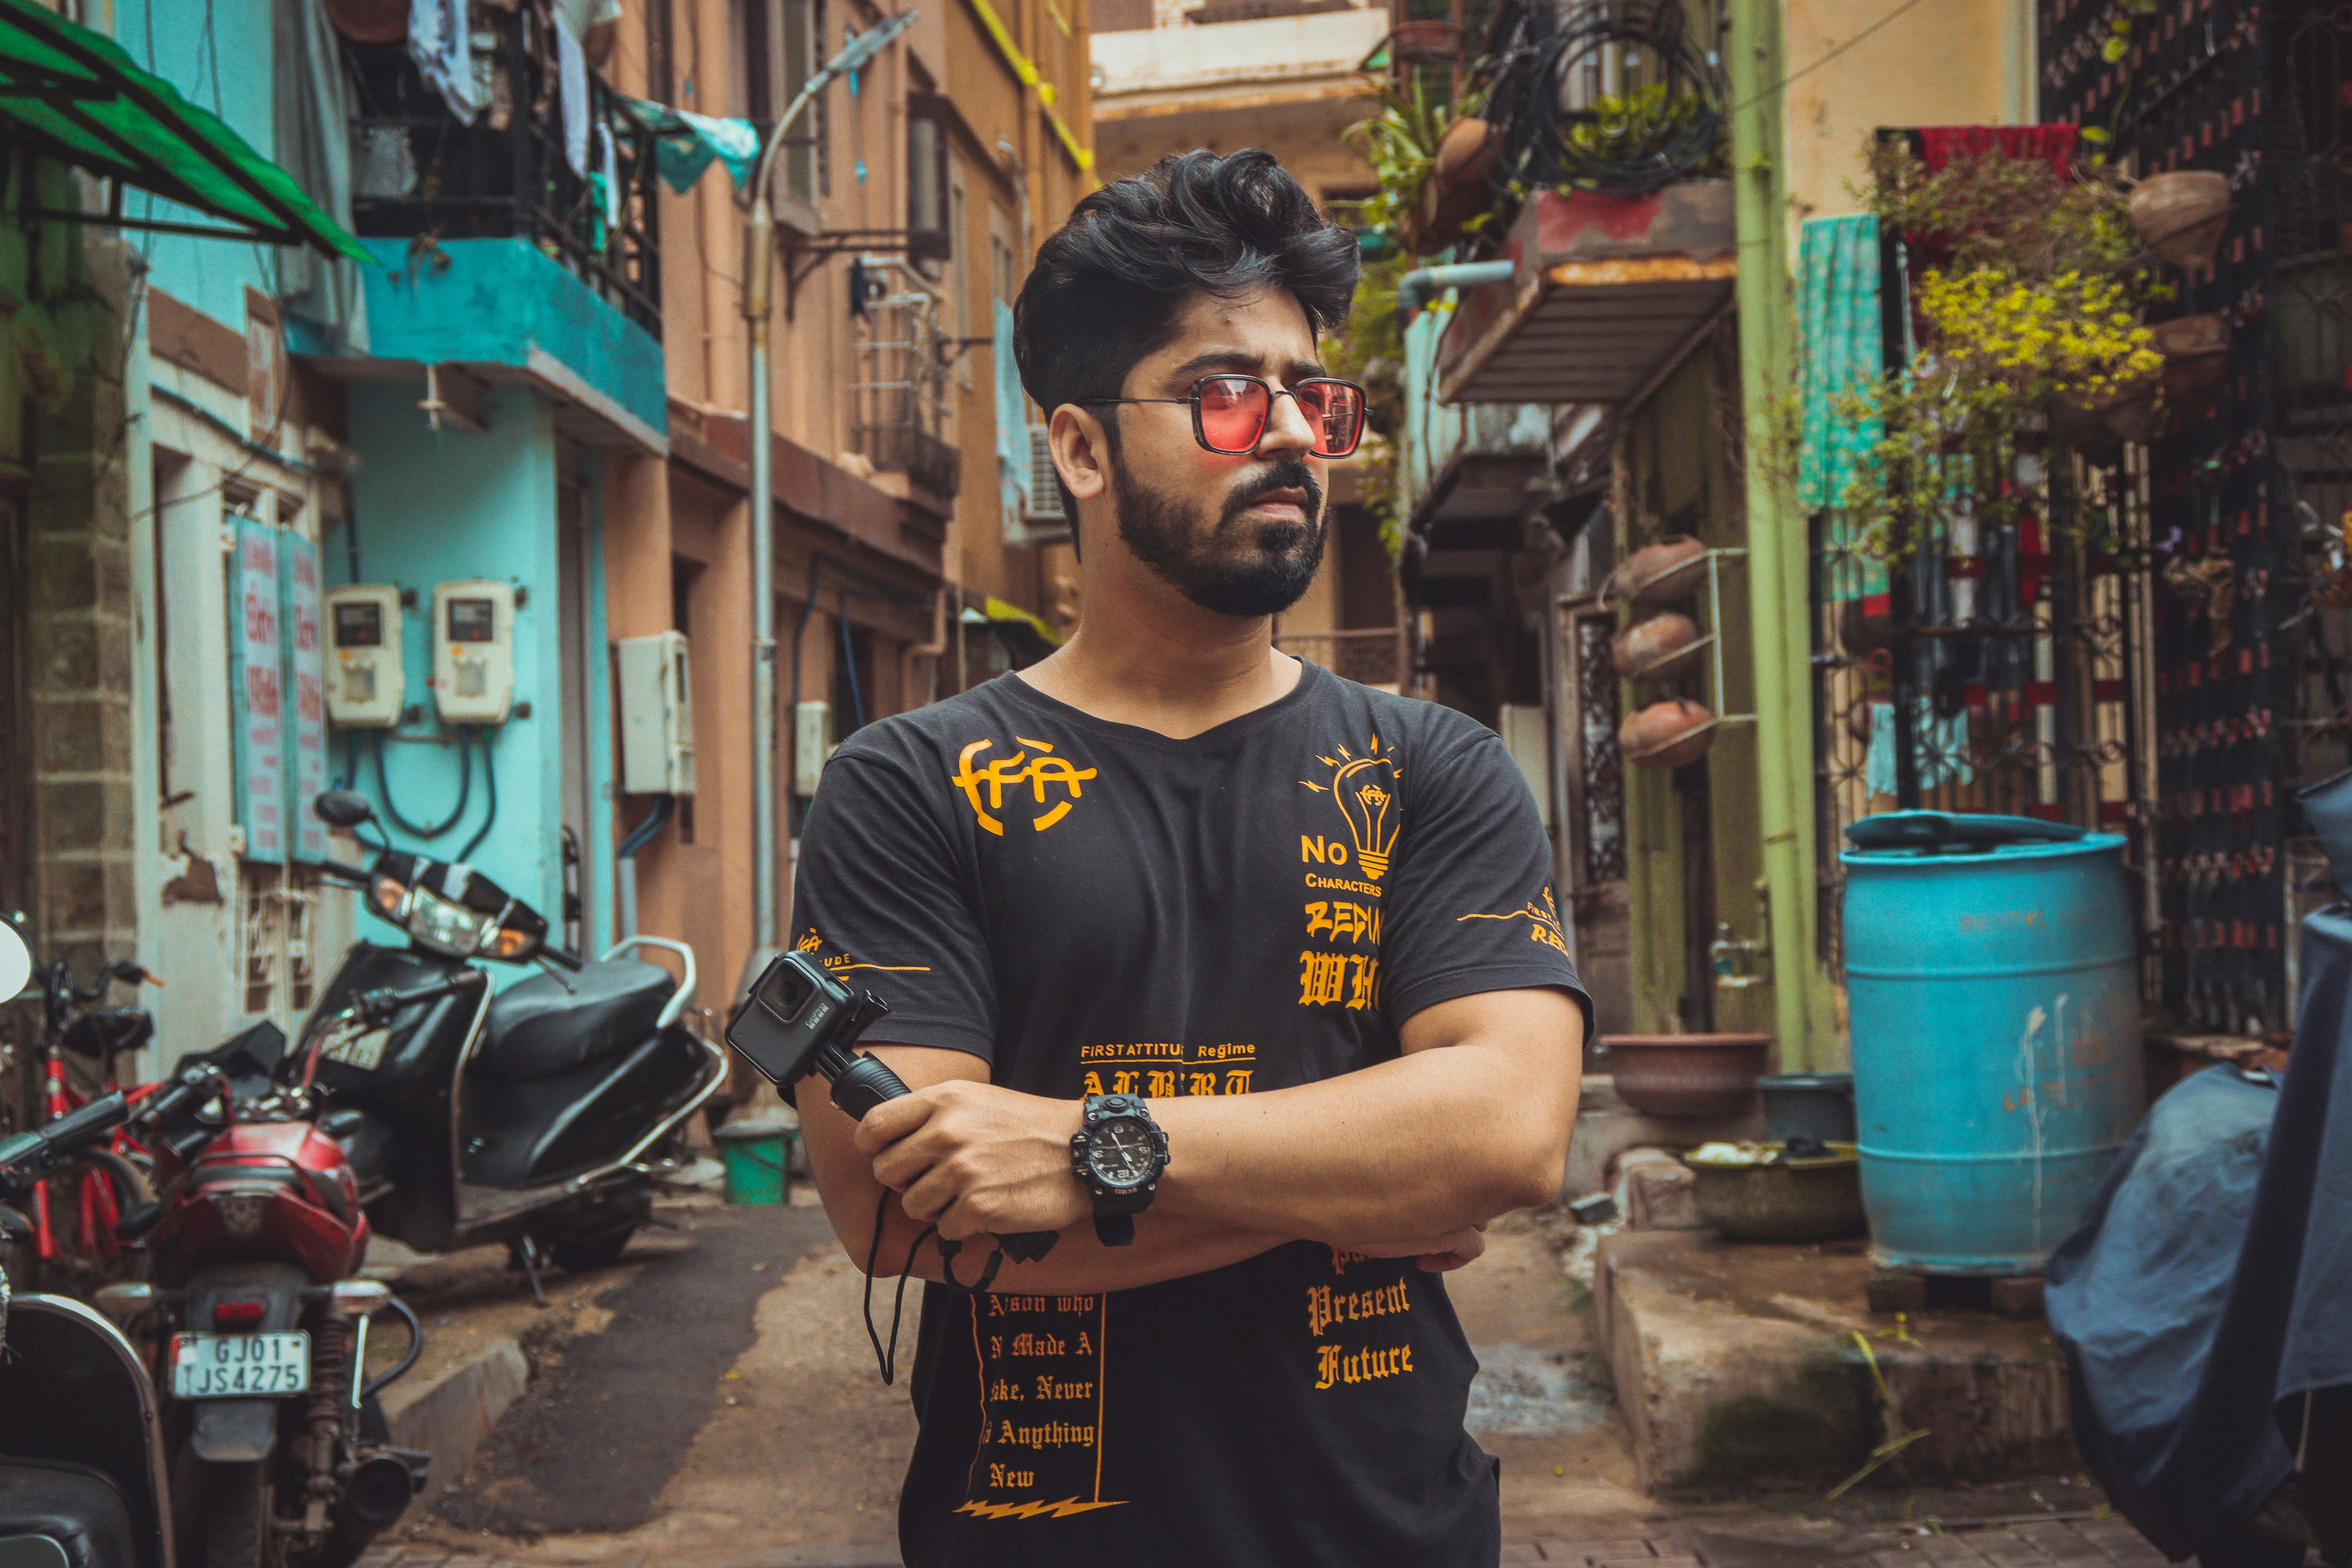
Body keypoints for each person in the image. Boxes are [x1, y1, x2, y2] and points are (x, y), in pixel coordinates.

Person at [793, 147, 1589, 1567]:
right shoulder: (910, 787)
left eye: (1311, 397)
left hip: (1386, 1534)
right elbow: (910, 1219)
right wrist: (1368, 1183)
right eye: (1225, 393)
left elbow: (1511, 1132)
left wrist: (1089, 1151)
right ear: (1082, 449)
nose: (1287, 434)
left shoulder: (1432, 768)